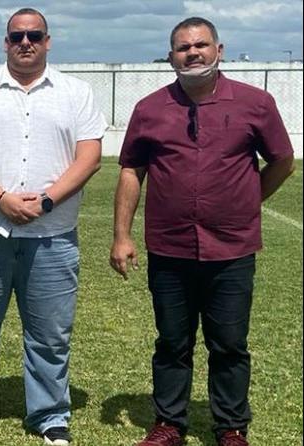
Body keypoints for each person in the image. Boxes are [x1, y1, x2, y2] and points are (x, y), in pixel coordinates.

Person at [111, 17, 295, 446]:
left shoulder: (256, 103)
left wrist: (248, 200)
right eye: (182, 47)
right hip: (170, 247)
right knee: (172, 342)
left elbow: (282, 161)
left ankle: (231, 427)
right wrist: (121, 235)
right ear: (171, 56)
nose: (192, 53)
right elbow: (131, 170)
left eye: (201, 45)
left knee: (229, 344)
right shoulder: (150, 108)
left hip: (231, 249)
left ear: (219, 49)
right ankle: (169, 424)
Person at [0, 8, 106, 445]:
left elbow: (89, 157)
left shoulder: (76, 92)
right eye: (16, 36)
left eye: (34, 35)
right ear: (5, 42)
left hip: (52, 235)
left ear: (48, 41)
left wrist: (45, 201)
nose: (25, 43)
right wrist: (2, 199)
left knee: (50, 335)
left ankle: (49, 415)